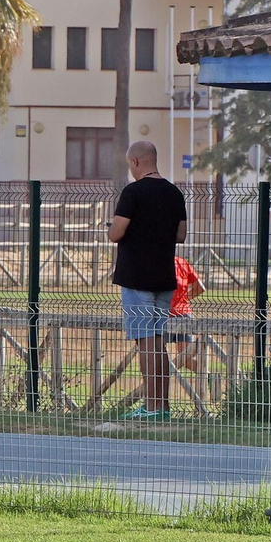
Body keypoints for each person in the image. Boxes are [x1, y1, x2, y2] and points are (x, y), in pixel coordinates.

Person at [107, 141, 187, 421]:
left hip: (136, 276)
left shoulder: (133, 192)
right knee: (158, 341)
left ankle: (152, 407)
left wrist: (114, 228)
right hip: (163, 276)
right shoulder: (174, 192)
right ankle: (161, 405)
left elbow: (116, 233)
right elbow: (181, 234)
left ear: (136, 162)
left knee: (146, 342)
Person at [168, 255, 206, 373]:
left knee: (155, 354)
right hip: (182, 313)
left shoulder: (155, 262)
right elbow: (200, 287)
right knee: (185, 358)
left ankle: (154, 387)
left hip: (163, 314)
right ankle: (209, 378)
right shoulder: (181, 262)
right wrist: (183, 299)